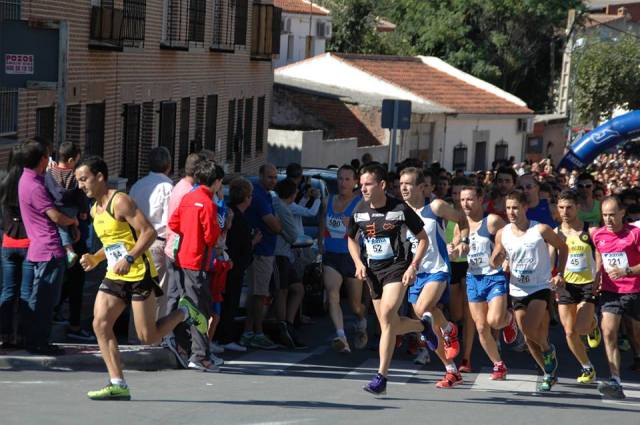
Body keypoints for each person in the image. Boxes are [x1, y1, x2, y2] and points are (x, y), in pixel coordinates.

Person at [76, 156, 208, 400]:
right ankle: (117, 383)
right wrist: (95, 258)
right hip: (116, 275)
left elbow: (148, 232)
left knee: (149, 336)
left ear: (100, 177)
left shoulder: (121, 201)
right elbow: (114, 243)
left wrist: (130, 258)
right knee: (100, 324)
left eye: (84, 179)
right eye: (78, 181)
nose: (81, 185)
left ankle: (184, 312)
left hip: (139, 274)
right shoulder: (95, 209)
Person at [347, 164, 430, 395]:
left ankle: (381, 377)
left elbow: (423, 239)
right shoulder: (360, 210)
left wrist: (413, 266)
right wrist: (358, 263)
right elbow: (351, 239)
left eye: (368, 184)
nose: (362, 188)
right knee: (388, 325)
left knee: (386, 316)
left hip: (397, 268)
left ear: (382, 185)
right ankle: (423, 326)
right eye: (361, 184)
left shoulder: (400, 208)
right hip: (373, 272)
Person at [490, 190, 567, 392]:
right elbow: (495, 259)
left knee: (532, 329)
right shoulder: (503, 233)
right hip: (517, 288)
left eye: (515, 207)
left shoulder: (540, 230)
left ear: (525, 207)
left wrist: (559, 272)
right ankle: (548, 372)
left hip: (540, 286)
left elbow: (563, 247)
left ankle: (548, 350)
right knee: (527, 336)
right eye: (508, 208)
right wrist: (499, 259)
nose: (511, 212)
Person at [400, 168, 468, 388]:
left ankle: (448, 330)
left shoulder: (435, 207)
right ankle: (451, 369)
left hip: (438, 268)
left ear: (422, 187)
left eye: (408, 184)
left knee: (423, 308)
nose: (403, 188)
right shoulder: (400, 212)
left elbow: (462, 220)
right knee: (427, 325)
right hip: (415, 273)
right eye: (400, 184)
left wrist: (462, 241)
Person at [18, 138, 78, 354]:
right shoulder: (35, 186)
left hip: (37, 247)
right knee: (45, 300)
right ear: (43, 159)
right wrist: (73, 221)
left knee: (37, 296)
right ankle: (40, 342)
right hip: (49, 248)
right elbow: (56, 217)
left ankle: (32, 339)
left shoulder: (27, 179)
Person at [167, 160, 223, 372]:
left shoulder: (188, 197)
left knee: (186, 304)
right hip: (198, 261)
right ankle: (199, 356)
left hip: (181, 258)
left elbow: (173, 224)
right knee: (199, 308)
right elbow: (211, 237)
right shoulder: (208, 204)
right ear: (217, 182)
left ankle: (185, 347)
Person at [459, 185, 517, 380]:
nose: (465, 204)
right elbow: (459, 248)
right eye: (462, 200)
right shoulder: (461, 225)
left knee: (494, 321)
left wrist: (505, 256)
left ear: (480, 200)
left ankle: (509, 319)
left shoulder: (491, 221)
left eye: (469, 199)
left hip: (494, 276)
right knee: (481, 327)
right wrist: (455, 250)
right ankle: (498, 365)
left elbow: (510, 237)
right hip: (473, 278)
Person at [592, 196, 640, 400]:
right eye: (605, 215)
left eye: (612, 214)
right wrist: (596, 276)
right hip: (611, 292)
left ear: (622, 213)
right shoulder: (598, 235)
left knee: (635, 334)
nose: (608, 219)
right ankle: (615, 380)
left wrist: (627, 271)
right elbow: (599, 254)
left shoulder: (635, 234)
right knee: (609, 332)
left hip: (635, 291)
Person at [552, 189, 601, 385]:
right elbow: (550, 257)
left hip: (587, 284)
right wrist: (554, 276)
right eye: (562, 208)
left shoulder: (590, 230)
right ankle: (587, 367)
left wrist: (598, 275)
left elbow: (599, 253)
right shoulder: (555, 232)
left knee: (581, 327)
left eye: (569, 208)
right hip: (565, 285)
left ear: (578, 207)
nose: (565, 212)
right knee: (569, 332)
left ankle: (593, 325)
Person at [318, 165, 366, 353]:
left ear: (355, 182)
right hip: (331, 256)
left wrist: (354, 226)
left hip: (352, 258)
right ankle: (341, 336)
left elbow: (371, 229)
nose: (343, 183)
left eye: (347, 179)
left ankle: (361, 321)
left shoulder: (361, 203)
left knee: (355, 305)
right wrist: (321, 243)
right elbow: (323, 221)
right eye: (340, 179)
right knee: (332, 294)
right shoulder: (328, 200)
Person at [215, 177, 261, 352]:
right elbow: (242, 246)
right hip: (232, 266)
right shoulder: (239, 219)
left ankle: (219, 336)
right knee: (230, 302)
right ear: (247, 197)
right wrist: (254, 241)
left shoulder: (229, 212)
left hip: (224, 262)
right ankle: (225, 337)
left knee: (222, 301)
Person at [129, 146, 174, 319]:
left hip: (135, 242)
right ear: (168, 165)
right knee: (157, 293)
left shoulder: (136, 186)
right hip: (157, 243)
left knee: (138, 290)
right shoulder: (168, 188)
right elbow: (170, 221)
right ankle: (152, 336)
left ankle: (136, 335)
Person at [242, 164, 282, 349]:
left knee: (257, 294)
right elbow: (274, 225)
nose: (273, 180)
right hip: (260, 253)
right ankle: (256, 332)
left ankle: (249, 331)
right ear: (260, 176)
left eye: (275, 177)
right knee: (259, 295)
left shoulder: (264, 194)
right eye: (269, 177)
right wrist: (279, 226)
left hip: (264, 251)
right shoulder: (258, 195)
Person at [0, 145, 34, 348]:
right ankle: (22, 335)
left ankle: (4, 334)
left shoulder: (4, 180)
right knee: (26, 292)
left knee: (7, 290)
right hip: (29, 243)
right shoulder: (29, 183)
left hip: (7, 241)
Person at [445, 177, 475, 373]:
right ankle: (456, 332)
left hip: (470, 266)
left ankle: (466, 357)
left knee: (469, 311)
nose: (460, 200)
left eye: (463, 197)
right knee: (456, 314)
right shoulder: (446, 213)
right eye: (456, 195)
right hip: (452, 266)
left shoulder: (476, 217)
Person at [272, 178, 306, 349]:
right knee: (282, 290)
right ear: (293, 195)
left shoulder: (279, 205)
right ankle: (282, 326)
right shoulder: (281, 207)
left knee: (298, 288)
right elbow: (293, 235)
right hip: (278, 254)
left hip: (285, 254)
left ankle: (289, 322)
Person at [44, 142, 85, 267]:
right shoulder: (75, 175)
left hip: (56, 208)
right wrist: (83, 211)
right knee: (70, 227)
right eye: (76, 161)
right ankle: (70, 251)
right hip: (72, 208)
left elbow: (46, 189)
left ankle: (68, 250)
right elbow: (80, 195)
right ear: (71, 160)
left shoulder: (50, 173)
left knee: (61, 228)